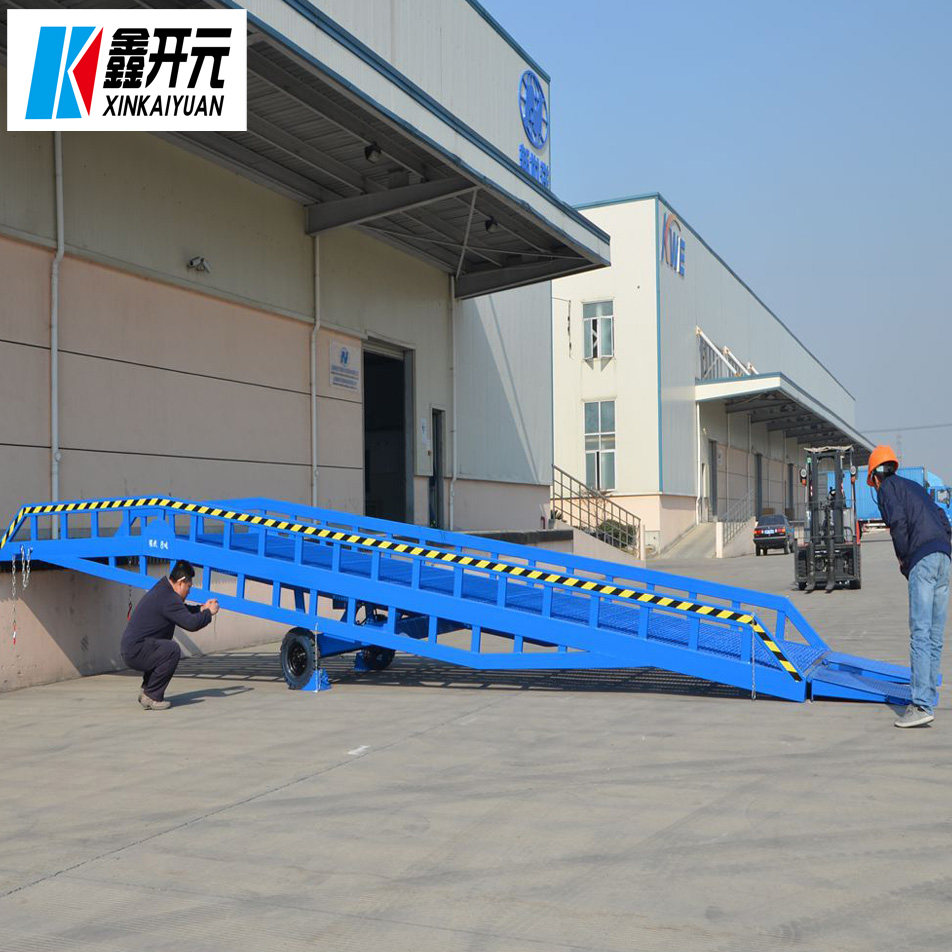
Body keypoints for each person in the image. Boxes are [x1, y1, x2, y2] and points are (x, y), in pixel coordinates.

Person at [869, 445, 951, 728]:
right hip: (944, 558)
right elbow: (942, 517)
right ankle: (929, 696)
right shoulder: (914, 486)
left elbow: (898, 524)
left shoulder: (887, 489)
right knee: (934, 635)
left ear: (876, 476)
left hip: (923, 561)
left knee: (920, 633)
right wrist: (945, 547)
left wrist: (905, 560)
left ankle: (921, 704)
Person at [121, 560, 219, 710]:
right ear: (181, 582)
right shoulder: (168, 598)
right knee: (171, 650)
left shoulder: (164, 592)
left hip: (134, 648)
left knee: (161, 648)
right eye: (189, 586)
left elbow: (181, 610)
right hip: (136, 651)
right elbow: (191, 624)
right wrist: (208, 613)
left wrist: (201, 609)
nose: (189, 591)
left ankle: (147, 691)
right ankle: (152, 696)